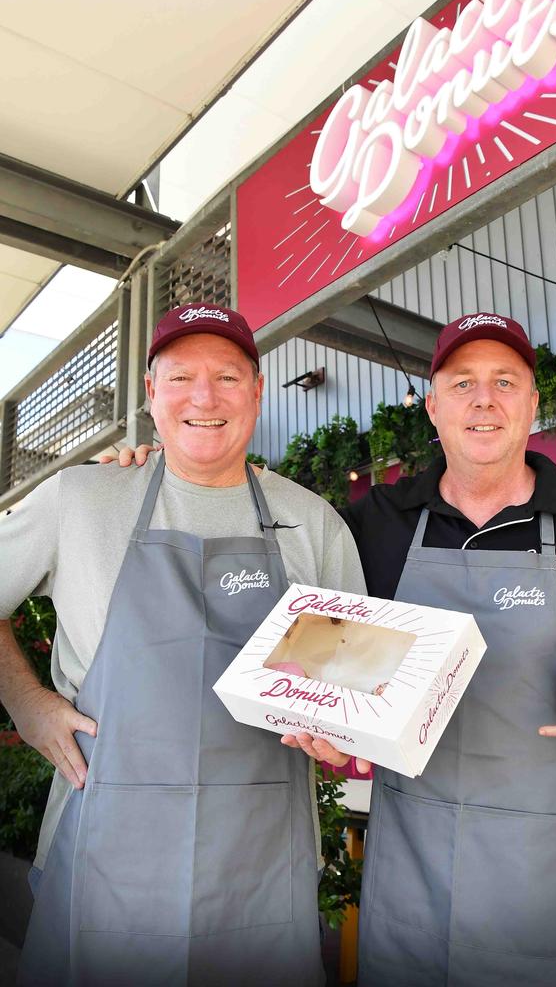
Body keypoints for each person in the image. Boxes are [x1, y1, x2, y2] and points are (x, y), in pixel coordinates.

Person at [108, 311, 556, 985]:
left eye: (505, 382)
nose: (484, 401)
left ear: (533, 403)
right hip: (413, 875)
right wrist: (155, 472)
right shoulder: (374, 526)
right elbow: (320, 648)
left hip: (552, 875)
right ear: (433, 406)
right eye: (462, 383)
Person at [0, 302, 365, 986]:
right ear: (150, 393)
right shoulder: (82, 498)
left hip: (262, 874)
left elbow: (351, 693)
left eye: (228, 377)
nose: (205, 397)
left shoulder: (314, 525)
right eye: (181, 378)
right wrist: (26, 701)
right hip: (105, 859)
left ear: (257, 392)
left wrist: (341, 737)